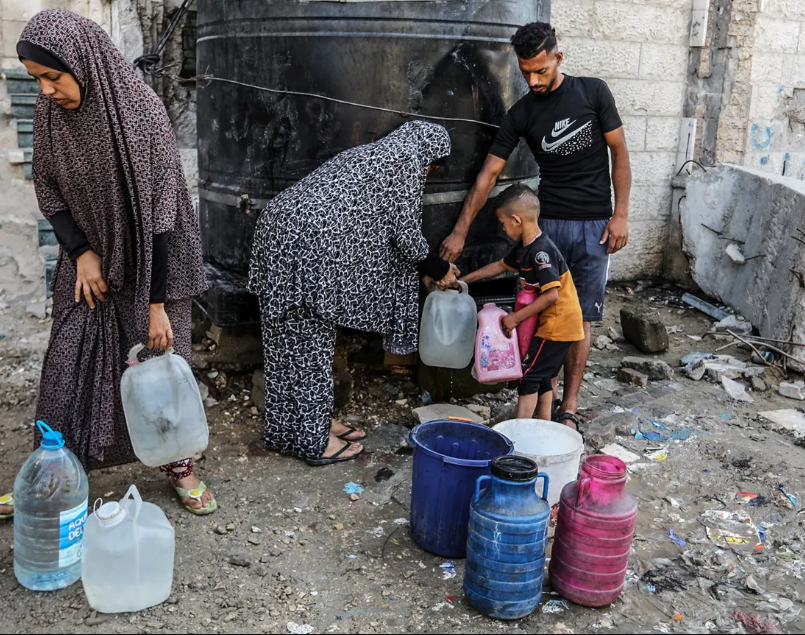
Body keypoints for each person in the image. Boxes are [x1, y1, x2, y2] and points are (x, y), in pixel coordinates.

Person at [0, 9, 216, 518]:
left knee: (159, 372)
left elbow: (165, 215)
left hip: (153, 263)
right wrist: (83, 253)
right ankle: (48, 474)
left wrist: (157, 307)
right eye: (35, 79)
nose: (44, 91)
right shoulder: (49, 115)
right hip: (88, 264)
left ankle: (180, 468)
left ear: (82, 64)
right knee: (66, 367)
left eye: (51, 77)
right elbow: (48, 188)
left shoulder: (140, 113)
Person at [439, 22, 631, 432]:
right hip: (550, 223)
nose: (533, 80)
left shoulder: (593, 92)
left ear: (558, 58)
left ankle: (570, 407)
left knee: (581, 319)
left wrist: (622, 214)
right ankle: (544, 406)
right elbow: (488, 175)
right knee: (548, 313)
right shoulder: (523, 113)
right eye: (525, 71)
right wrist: (459, 231)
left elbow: (620, 153)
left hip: (595, 223)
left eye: (541, 70)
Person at [249, 121, 459, 465]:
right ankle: (314, 442)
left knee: (283, 342)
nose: (429, 171)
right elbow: (404, 235)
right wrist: (438, 269)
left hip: (277, 229)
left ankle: (290, 429)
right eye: (433, 166)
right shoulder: (408, 159)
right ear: (431, 155)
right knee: (309, 346)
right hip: (308, 244)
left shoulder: (371, 152)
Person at [452, 185, 584, 423]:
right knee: (544, 376)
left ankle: (520, 431)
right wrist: (462, 281)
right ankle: (544, 426)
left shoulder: (540, 252)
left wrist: (515, 318)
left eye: (503, 223)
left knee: (528, 376)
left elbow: (551, 295)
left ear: (516, 219)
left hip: (558, 324)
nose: (502, 228)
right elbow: (498, 267)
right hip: (554, 323)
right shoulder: (525, 248)